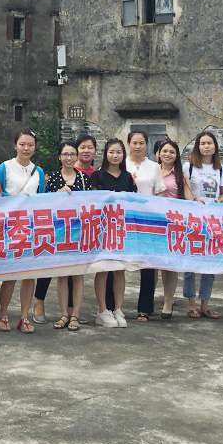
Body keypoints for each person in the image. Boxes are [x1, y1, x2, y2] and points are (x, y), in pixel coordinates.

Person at [0, 129, 46, 334]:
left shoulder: (39, 171)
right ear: (15, 145)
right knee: (10, 273)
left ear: (35, 147)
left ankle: (24, 316)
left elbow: (43, 199)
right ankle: (3, 314)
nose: (26, 148)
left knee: (29, 274)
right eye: (22, 144)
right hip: (10, 227)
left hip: (31, 227)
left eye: (30, 145)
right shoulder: (4, 168)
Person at [46, 140, 92, 332]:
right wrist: (57, 194)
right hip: (60, 232)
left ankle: (76, 315)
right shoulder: (54, 178)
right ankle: (64, 313)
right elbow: (45, 205)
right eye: (65, 154)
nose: (69, 158)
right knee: (63, 275)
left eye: (72, 154)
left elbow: (91, 204)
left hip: (80, 231)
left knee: (78, 275)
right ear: (59, 157)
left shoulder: (84, 178)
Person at [181, 131, 223, 320]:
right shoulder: (189, 166)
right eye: (203, 143)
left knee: (210, 264)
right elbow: (186, 190)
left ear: (215, 146)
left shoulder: (221, 168)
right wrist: (194, 200)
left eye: (209, 143)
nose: (206, 146)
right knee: (190, 263)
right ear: (197, 146)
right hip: (193, 219)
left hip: (213, 219)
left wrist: (218, 200)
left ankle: (205, 304)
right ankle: (191, 304)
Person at [91, 139, 133, 327]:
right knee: (103, 269)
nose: (115, 155)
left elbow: (134, 200)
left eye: (119, 152)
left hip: (121, 229)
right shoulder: (97, 176)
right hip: (101, 229)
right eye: (111, 152)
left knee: (119, 269)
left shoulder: (128, 176)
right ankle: (102, 310)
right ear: (106, 154)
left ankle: (118, 308)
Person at [124, 130, 163, 322]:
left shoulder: (155, 167)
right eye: (134, 143)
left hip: (148, 221)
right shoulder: (121, 163)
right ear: (128, 144)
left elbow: (160, 193)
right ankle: (113, 306)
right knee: (117, 263)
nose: (137, 146)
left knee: (148, 265)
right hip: (124, 220)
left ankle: (144, 308)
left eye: (141, 143)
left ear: (146, 144)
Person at [152, 139, 184, 319]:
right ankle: (149, 300)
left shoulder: (180, 175)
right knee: (152, 264)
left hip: (173, 224)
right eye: (164, 151)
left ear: (176, 155)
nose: (167, 154)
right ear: (158, 153)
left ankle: (167, 302)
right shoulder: (150, 170)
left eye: (172, 152)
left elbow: (188, 198)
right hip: (152, 223)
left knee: (169, 266)